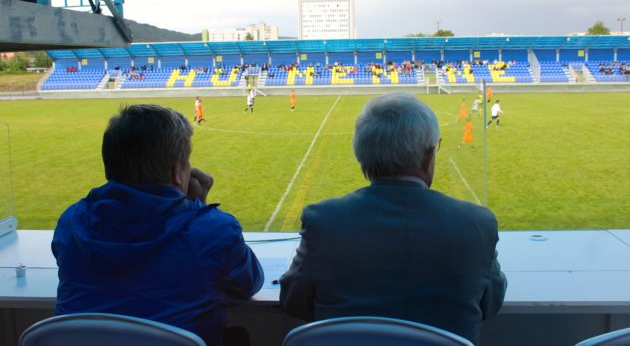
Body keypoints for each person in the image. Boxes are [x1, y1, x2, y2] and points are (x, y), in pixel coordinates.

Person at [280, 93, 506, 345]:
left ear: (361, 156)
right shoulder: (477, 224)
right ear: (428, 156)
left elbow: (294, 301)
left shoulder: (323, 221)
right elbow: (491, 302)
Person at [52, 104, 264, 345]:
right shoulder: (214, 230)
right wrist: (199, 209)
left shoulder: (71, 223)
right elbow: (246, 286)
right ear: (177, 172)